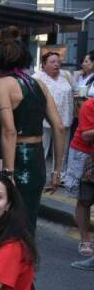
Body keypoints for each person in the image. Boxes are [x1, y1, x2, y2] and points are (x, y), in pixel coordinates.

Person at [0, 28, 65, 232]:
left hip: (18, 159)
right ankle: (25, 261)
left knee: (11, 224)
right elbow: (58, 126)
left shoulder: (0, 85)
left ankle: (17, 261)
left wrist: (9, 173)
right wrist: (57, 170)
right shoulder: (38, 83)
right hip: (38, 159)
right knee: (28, 220)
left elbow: (9, 131)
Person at [34, 50, 74, 181]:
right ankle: (37, 174)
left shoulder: (66, 75)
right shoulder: (37, 78)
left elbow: (75, 91)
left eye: (58, 62)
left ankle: (59, 175)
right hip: (43, 120)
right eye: (52, 62)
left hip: (64, 119)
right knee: (41, 148)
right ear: (43, 64)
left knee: (62, 149)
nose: (56, 64)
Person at [63, 94, 94, 262]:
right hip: (85, 155)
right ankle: (85, 239)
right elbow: (87, 135)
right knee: (84, 199)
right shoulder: (89, 105)